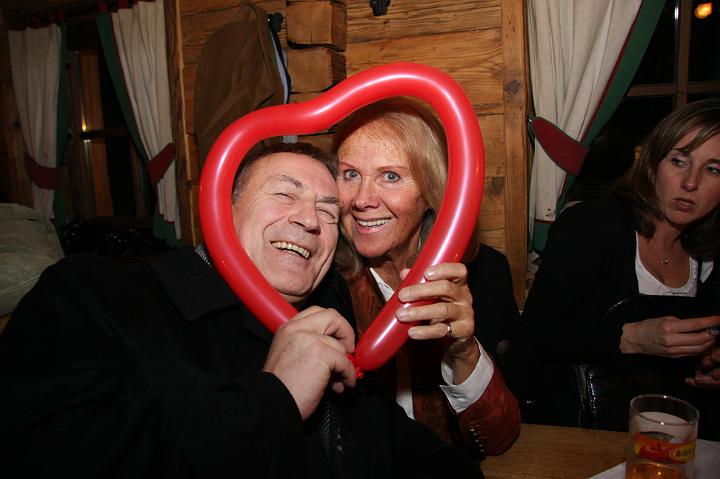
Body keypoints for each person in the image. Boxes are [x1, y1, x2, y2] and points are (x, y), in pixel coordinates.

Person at [0, 142, 483, 478]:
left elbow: (403, 450)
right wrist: (274, 398)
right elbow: (43, 458)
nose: (309, 220)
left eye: (328, 211)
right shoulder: (95, 293)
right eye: (285, 193)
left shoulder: (326, 320)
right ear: (222, 209)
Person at [333, 98, 522, 457]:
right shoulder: (326, 283)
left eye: (391, 176)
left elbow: (500, 438)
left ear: (431, 191)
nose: (362, 199)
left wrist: (463, 351)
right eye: (350, 174)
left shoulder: (485, 273)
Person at [522, 98, 720, 439]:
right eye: (679, 161)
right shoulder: (593, 225)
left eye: (713, 169)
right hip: (586, 432)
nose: (691, 182)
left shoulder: (711, 255)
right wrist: (632, 338)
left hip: (678, 436)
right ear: (653, 163)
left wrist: (710, 362)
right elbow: (536, 334)